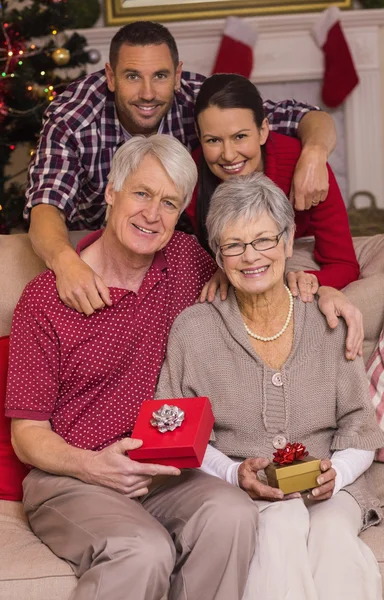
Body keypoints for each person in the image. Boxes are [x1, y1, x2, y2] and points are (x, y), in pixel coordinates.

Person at [6, 135, 258, 600]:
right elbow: (27, 432)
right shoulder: (44, 299)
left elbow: (256, 280)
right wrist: (92, 466)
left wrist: (316, 288)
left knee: (232, 514)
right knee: (143, 550)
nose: (152, 214)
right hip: (71, 474)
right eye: (142, 194)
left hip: (166, 470)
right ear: (111, 191)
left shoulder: (186, 262)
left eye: (168, 203)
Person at [156, 172, 384, 600]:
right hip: (243, 489)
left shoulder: (326, 317)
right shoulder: (193, 329)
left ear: (287, 239)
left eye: (263, 239)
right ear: (218, 256)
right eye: (235, 245)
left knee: (333, 534)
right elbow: (174, 430)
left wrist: (338, 473)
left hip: (334, 483)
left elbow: (360, 425)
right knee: (280, 527)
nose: (251, 256)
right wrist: (232, 473)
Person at [25, 20, 337, 316]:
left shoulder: (199, 100)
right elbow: (45, 206)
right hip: (93, 237)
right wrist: (67, 262)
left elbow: (304, 116)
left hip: (175, 235)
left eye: (160, 76)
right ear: (110, 76)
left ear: (177, 75)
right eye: (132, 76)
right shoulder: (73, 117)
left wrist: (314, 151)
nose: (148, 93)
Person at [191, 73, 359, 294]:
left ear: (263, 131)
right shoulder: (191, 174)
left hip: (295, 257)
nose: (229, 155)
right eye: (213, 140)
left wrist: (301, 281)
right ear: (198, 135)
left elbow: (344, 264)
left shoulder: (302, 165)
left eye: (240, 136)